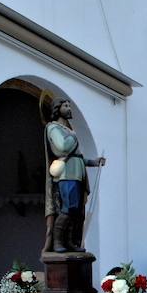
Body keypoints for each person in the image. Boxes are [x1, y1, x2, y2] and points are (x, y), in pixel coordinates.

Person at [44, 98, 105, 253]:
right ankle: (58, 242)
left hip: (77, 174)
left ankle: (69, 242)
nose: (69, 108)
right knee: (68, 208)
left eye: (69, 105)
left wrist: (93, 162)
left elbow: (77, 157)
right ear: (58, 109)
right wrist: (74, 135)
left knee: (76, 212)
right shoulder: (54, 128)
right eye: (65, 106)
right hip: (66, 175)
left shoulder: (68, 130)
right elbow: (63, 147)